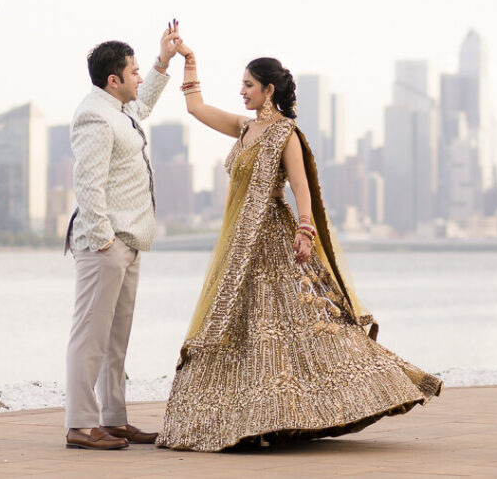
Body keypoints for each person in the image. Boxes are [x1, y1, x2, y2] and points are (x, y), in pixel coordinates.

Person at [156, 40, 442, 452]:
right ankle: (252, 419)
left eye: (249, 84)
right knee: (245, 328)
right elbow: (196, 109)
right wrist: (189, 61)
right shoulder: (243, 127)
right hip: (240, 246)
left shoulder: (285, 134)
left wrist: (304, 232)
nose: (242, 91)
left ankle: (299, 411)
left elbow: (300, 188)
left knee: (288, 328)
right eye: (242, 84)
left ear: (269, 90)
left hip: (273, 239)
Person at [64, 24, 181, 450]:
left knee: (116, 339)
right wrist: (104, 240)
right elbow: (88, 184)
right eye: (132, 71)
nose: (137, 78)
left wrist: (162, 62)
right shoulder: (94, 114)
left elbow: (144, 99)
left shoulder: (121, 110)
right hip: (106, 244)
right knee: (90, 337)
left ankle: (113, 419)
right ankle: (80, 424)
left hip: (129, 242)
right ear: (113, 80)